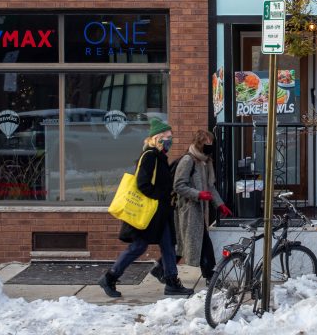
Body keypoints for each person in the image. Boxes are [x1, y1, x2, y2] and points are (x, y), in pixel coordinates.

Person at [98, 118, 194, 297]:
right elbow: (143, 183)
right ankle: (109, 277)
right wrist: (161, 196)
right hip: (150, 212)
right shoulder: (150, 156)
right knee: (139, 246)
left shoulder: (160, 157)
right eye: (167, 137)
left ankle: (172, 282)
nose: (170, 140)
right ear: (157, 138)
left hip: (161, 212)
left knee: (168, 245)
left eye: (170, 137)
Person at [172, 129, 233, 285]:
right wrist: (198, 194)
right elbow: (179, 185)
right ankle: (210, 277)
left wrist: (220, 205)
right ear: (199, 143)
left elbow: (210, 187)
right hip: (189, 210)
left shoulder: (205, 161)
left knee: (191, 244)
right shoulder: (188, 160)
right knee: (201, 244)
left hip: (199, 211)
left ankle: (161, 268)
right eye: (208, 142)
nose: (210, 145)